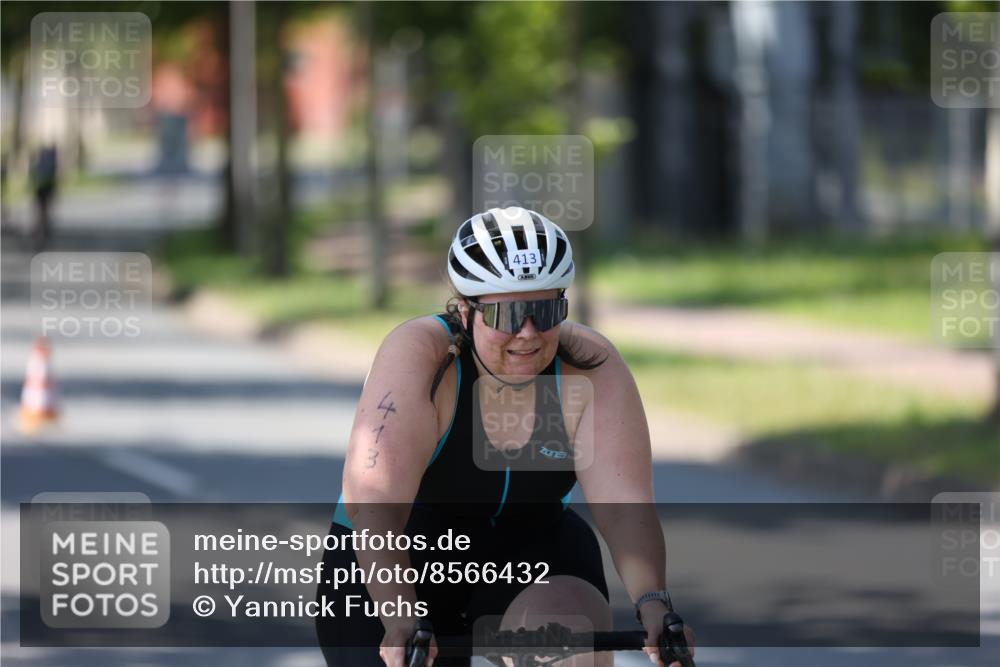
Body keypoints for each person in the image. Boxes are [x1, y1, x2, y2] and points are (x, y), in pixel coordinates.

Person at [316, 207, 694, 667]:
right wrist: (400, 615)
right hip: (398, 554)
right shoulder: (423, 358)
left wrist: (654, 603)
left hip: (530, 551)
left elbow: (624, 507)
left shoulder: (587, 365)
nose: (528, 332)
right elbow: (374, 507)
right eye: (507, 313)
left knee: (571, 652)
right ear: (465, 309)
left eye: (544, 309)